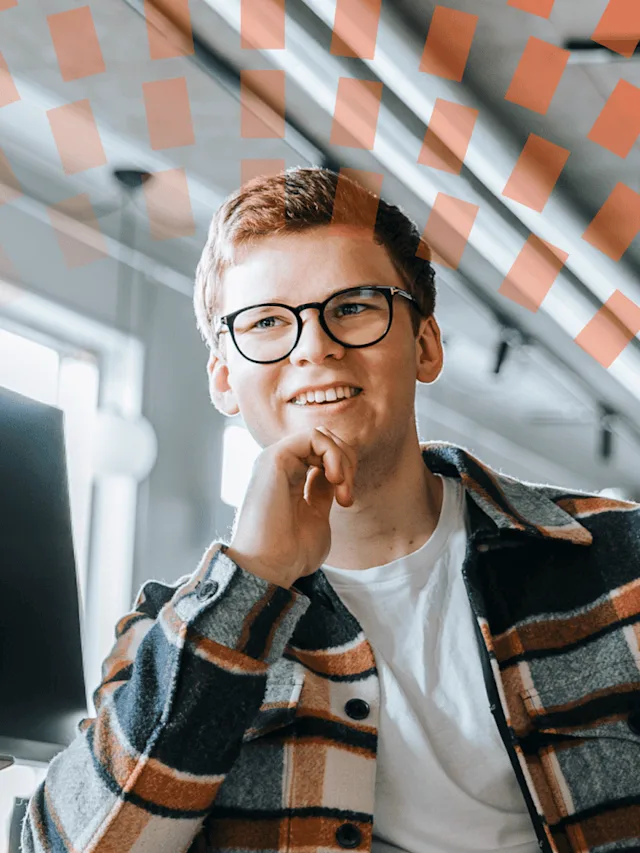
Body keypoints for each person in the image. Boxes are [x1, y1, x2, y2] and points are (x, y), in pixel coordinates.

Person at [22, 168, 640, 853]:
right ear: (226, 380)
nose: (314, 346)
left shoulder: (618, 558)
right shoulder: (170, 640)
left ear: (425, 345)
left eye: (352, 307)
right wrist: (253, 576)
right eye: (265, 322)